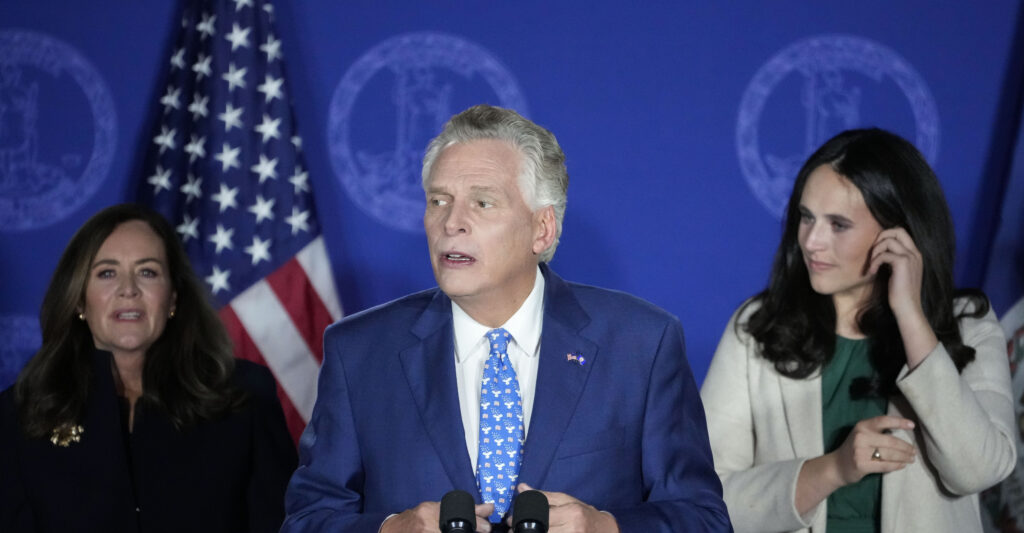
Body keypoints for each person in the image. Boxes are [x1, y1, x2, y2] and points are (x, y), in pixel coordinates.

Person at [282, 104, 730, 533]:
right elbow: (305, 520)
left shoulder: (640, 345)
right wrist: (386, 529)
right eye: (439, 201)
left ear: (543, 229)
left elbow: (703, 518)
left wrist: (608, 527)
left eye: (482, 203)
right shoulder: (360, 352)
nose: (451, 223)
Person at [700, 128, 1015, 533]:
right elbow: (706, 497)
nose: (812, 241)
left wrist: (912, 317)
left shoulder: (967, 322)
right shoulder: (758, 325)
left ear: (898, 233)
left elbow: (979, 471)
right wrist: (832, 469)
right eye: (806, 217)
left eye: (838, 224)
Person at [0, 204, 298, 532]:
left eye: (148, 272)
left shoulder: (244, 398)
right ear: (80, 300)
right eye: (107, 273)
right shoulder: (20, 414)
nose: (128, 289)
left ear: (172, 298)